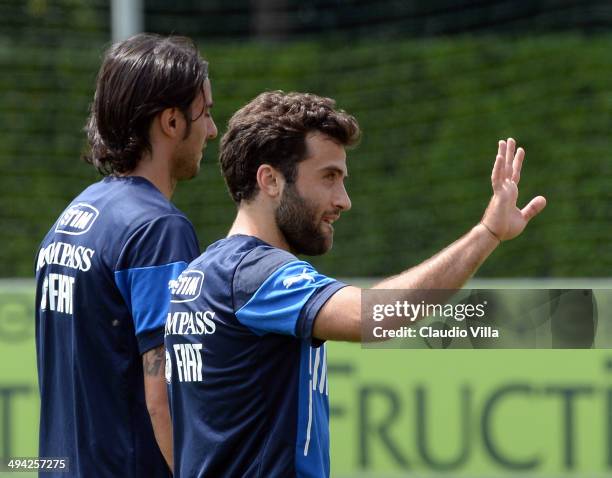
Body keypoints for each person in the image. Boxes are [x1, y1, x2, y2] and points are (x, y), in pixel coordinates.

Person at [164, 91, 546, 477]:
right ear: (270, 180)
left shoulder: (203, 272)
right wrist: (487, 233)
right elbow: (373, 316)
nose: (344, 200)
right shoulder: (254, 274)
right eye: (328, 177)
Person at [34, 33, 217, 477]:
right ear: (171, 122)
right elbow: (164, 395)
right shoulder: (158, 230)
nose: (213, 129)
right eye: (206, 113)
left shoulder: (73, 215)